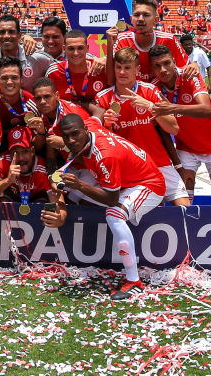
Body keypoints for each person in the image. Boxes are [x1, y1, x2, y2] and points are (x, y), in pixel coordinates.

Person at [56, 114, 165, 299]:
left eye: (75, 134)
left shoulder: (105, 156)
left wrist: (80, 185)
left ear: (85, 130)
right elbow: (96, 115)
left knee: (114, 214)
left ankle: (134, 281)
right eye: (66, 137)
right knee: (74, 193)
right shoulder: (90, 125)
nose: (71, 140)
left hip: (149, 184)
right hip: (128, 180)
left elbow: (112, 200)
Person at [94, 47, 189, 206]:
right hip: (130, 167)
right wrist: (108, 126)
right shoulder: (103, 98)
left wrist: (152, 107)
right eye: (118, 67)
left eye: (127, 68)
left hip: (158, 162)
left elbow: (174, 128)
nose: (122, 72)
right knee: (148, 210)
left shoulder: (150, 91)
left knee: (185, 207)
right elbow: (101, 143)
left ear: (137, 69)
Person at [148, 45, 211, 204]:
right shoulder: (154, 87)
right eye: (157, 66)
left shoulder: (190, 75)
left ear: (174, 61)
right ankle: (191, 227)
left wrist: (172, 108)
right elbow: (163, 131)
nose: (163, 69)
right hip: (186, 146)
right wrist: (177, 164)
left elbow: (206, 109)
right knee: (186, 191)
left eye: (166, 63)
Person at [0, 126, 65, 222]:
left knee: (46, 207)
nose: (21, 158)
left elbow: (58, 203)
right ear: (9, 153)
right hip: (12, 197)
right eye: (15, 152)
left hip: (37, 200)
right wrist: (8, 180)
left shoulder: (43, 169)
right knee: (2, 202)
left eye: (25, 151)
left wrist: (60, 218)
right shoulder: (3, 161)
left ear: (32, 151)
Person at [109, 0, 190, 83]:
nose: (140, 19)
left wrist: (194, 66)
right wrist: (104, 60)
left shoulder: (169, 40)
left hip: (161, 95)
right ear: (131, 19)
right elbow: (110, 78)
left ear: (156, 20)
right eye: (136, 15)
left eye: (146, 15)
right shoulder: (121, 40)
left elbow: (186, 67)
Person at [0, 15, 54, 88]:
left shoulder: (38, 58)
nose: (6, 36)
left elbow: (60, 70)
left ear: (19, 35)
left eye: (11, 32)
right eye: (2, 32)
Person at [46, 30, 108, 109]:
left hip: (96, 119)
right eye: (71, 49)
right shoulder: (53, 72)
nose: (76, 53)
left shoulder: (101, 69)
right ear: (64, 49)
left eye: (80, 48)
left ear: (87, 48)